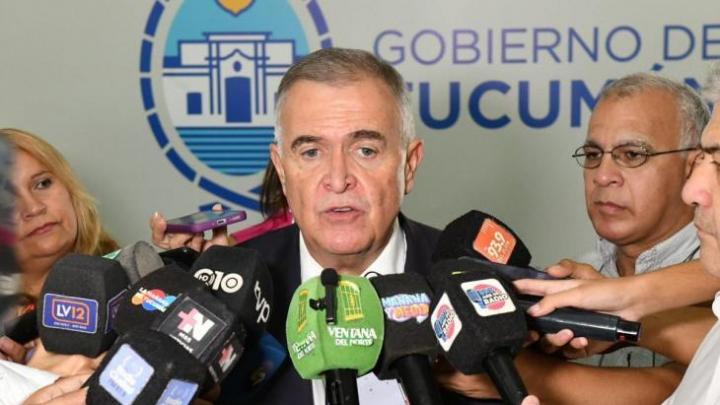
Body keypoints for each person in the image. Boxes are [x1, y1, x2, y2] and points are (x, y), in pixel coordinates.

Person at [151, 48, 538, 405]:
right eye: (311, 152)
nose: (338, 180)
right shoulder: (220, 299)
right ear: (282, 172)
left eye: (365, 150)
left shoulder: (489, 290)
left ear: (409, 165)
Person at [439, 73, 717, 404]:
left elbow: (690, 387)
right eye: (593, 154)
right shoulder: (574, 281)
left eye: (632, 155)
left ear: (692, 165)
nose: (603, 175)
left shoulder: (711, 270)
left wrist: (531, 377)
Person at [0, 128, 117, 401]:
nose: (33, 207)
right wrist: (23, 380)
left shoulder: (141, 281)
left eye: (42, 183)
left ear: (70, 189)